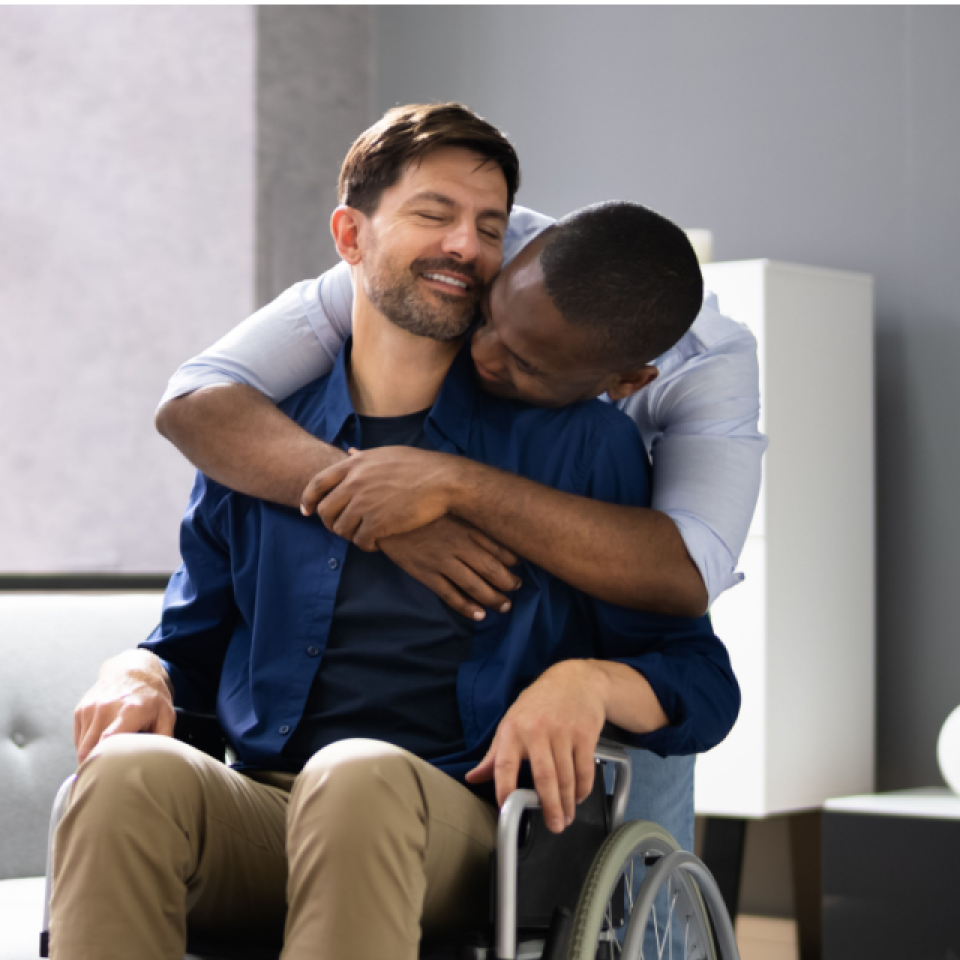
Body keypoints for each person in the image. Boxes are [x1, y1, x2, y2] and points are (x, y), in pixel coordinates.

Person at [49, 103, 741, 960]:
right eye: (432, 214)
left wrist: (589, 681)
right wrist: (137, 666)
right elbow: (187, 648)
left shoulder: (575, 442)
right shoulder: (259, 440)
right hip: (270, 805)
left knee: (358, 773)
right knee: (126, 777)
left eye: (489, 227)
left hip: (463, 827)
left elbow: (700, 679)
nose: (464, 244)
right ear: (350, 236)